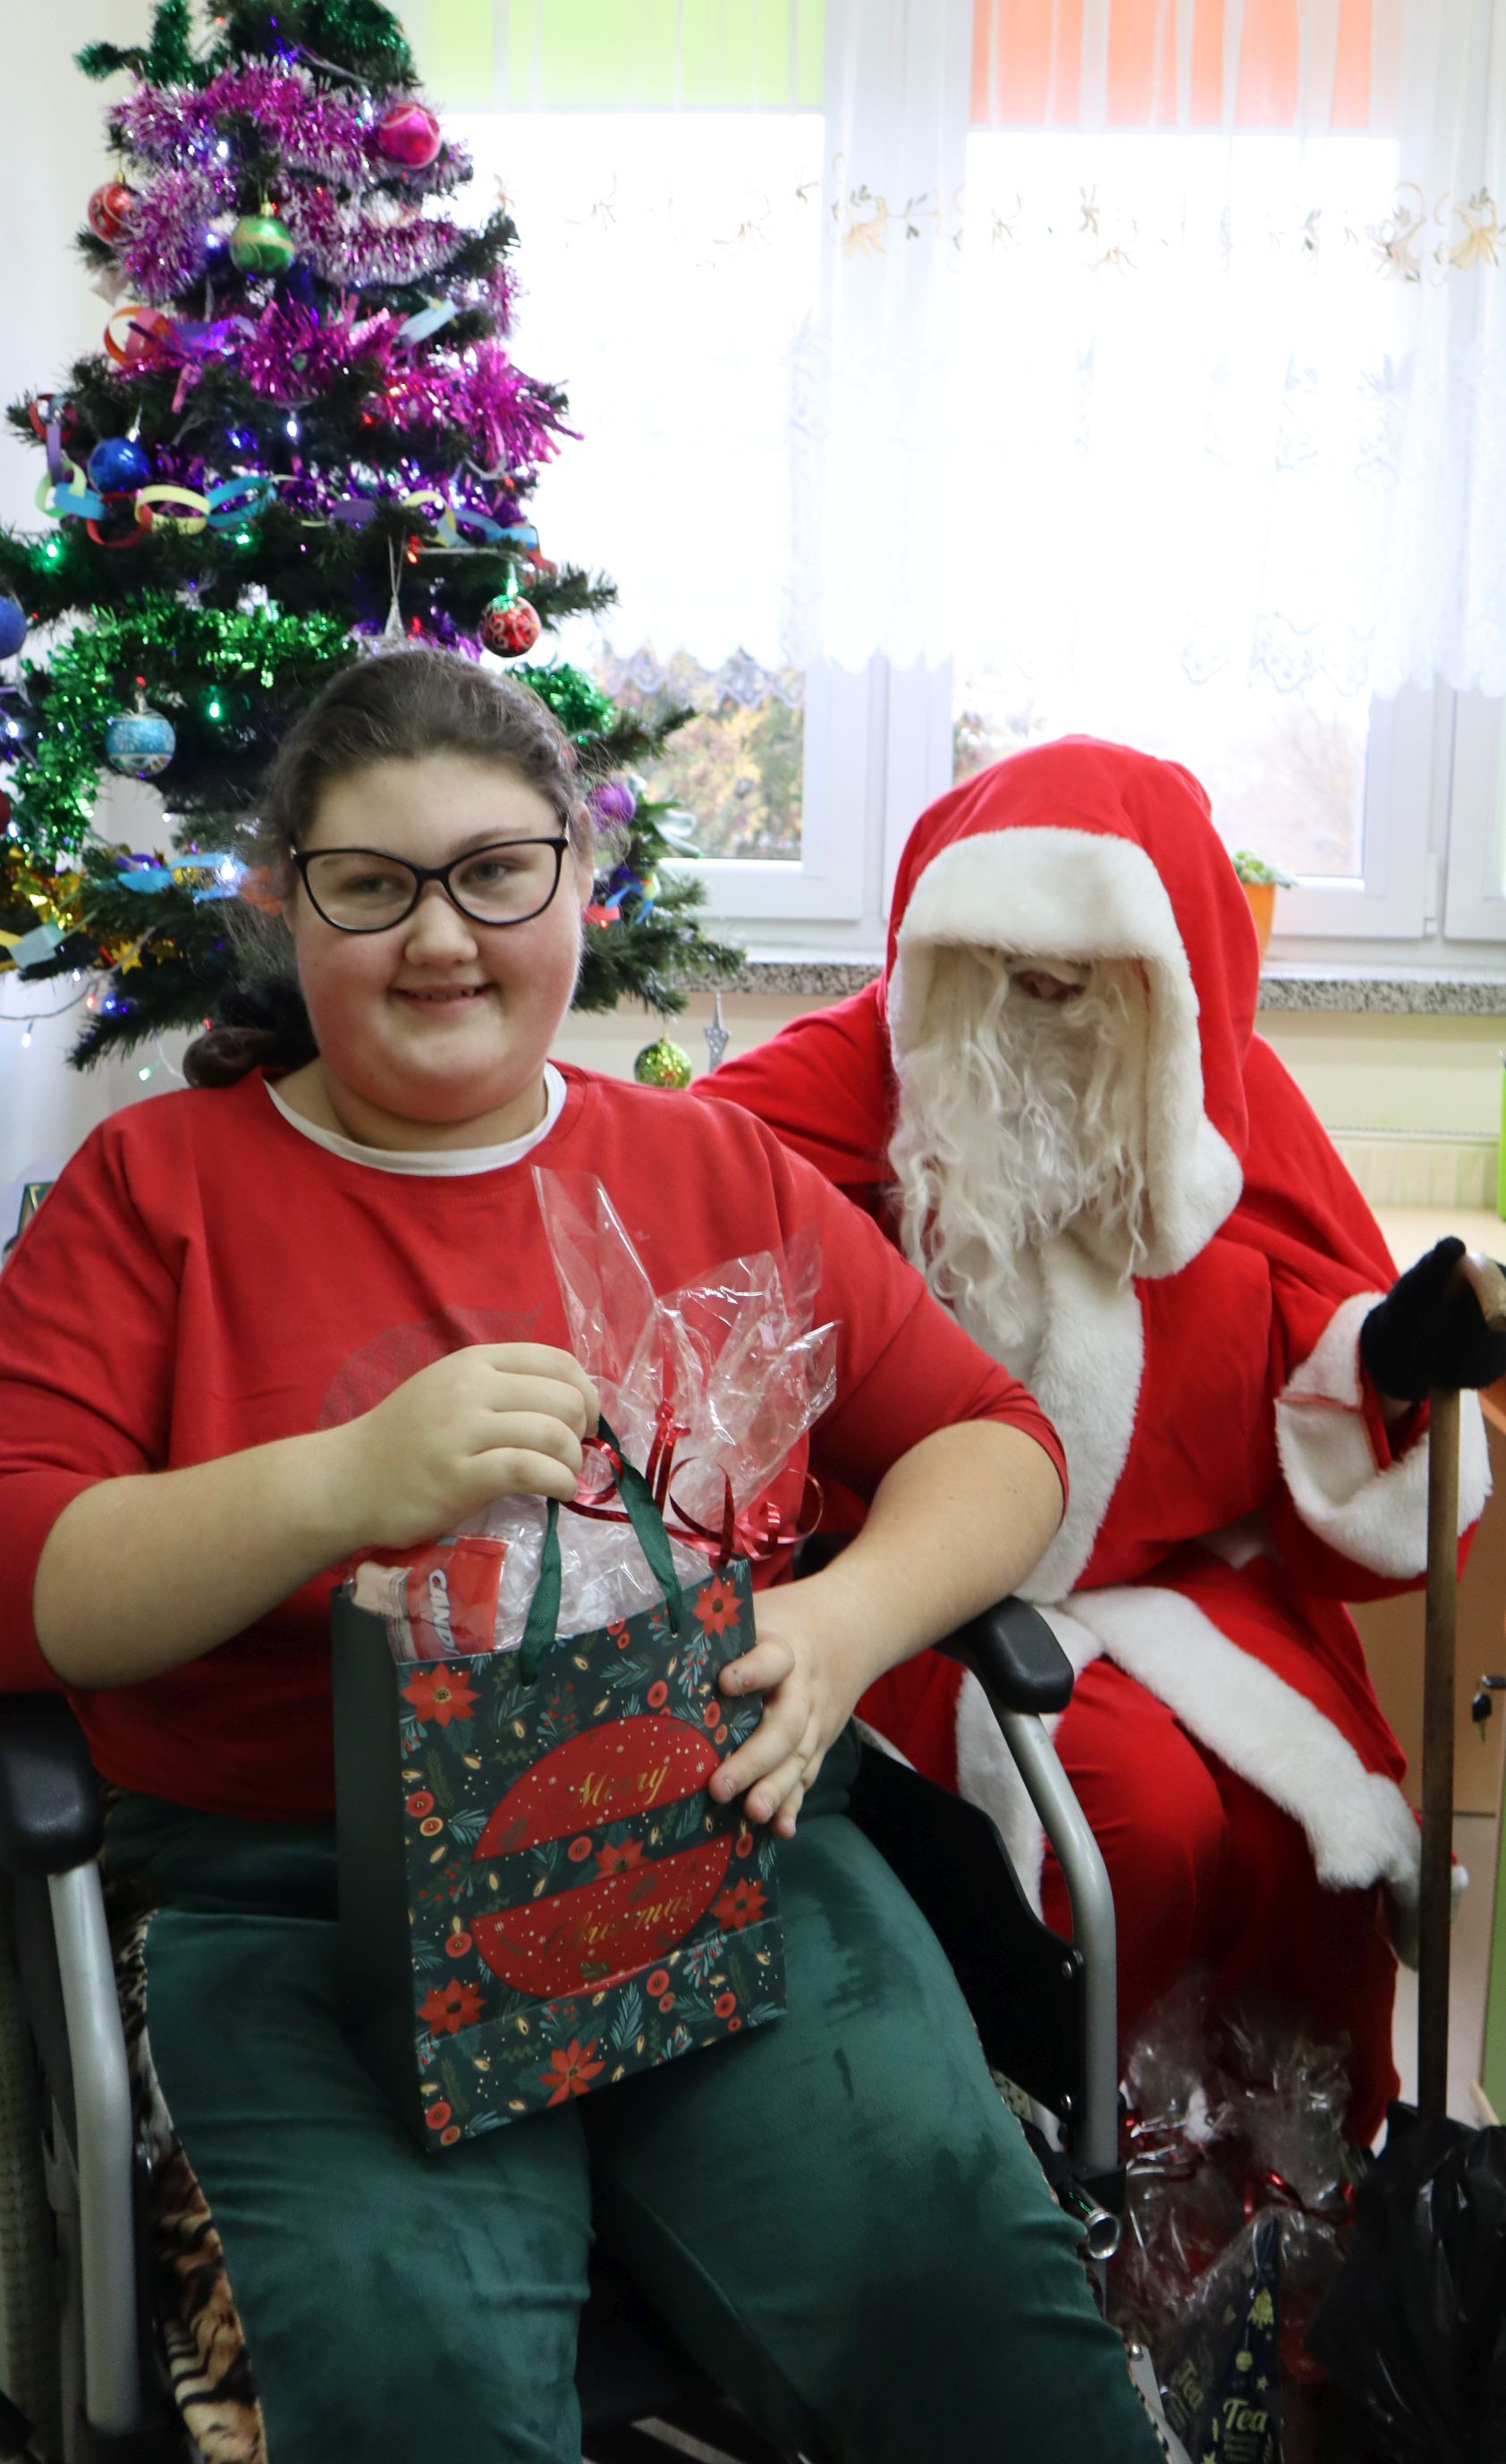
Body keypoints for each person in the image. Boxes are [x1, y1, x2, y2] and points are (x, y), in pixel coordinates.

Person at [0, 655, 1166, 2464]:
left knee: (969, 2320)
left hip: (716, 1850)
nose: (439, 937)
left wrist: (848, 1618)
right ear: (283, 902)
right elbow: (24, 1580)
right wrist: (336, 1483)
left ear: (578, 883)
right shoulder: (157, 1192)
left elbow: (992, 1441)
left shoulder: (715, 1172)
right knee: (413, 2392)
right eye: (371, 885)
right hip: (297, 1905)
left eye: (494, 873)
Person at [697, 736, 1506, 2144]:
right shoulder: (833, 1086)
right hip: (931, 1591)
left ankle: (1263, 2177)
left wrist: (1387, 1364)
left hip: (1178, 1587)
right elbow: (664, 1203)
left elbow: (1308, 1333)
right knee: (1142, 1825)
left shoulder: (1229, 1110)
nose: (1043, 992)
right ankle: (1057, 2149)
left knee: (1299, 1836)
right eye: (1007, 966)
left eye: (1085, 973)